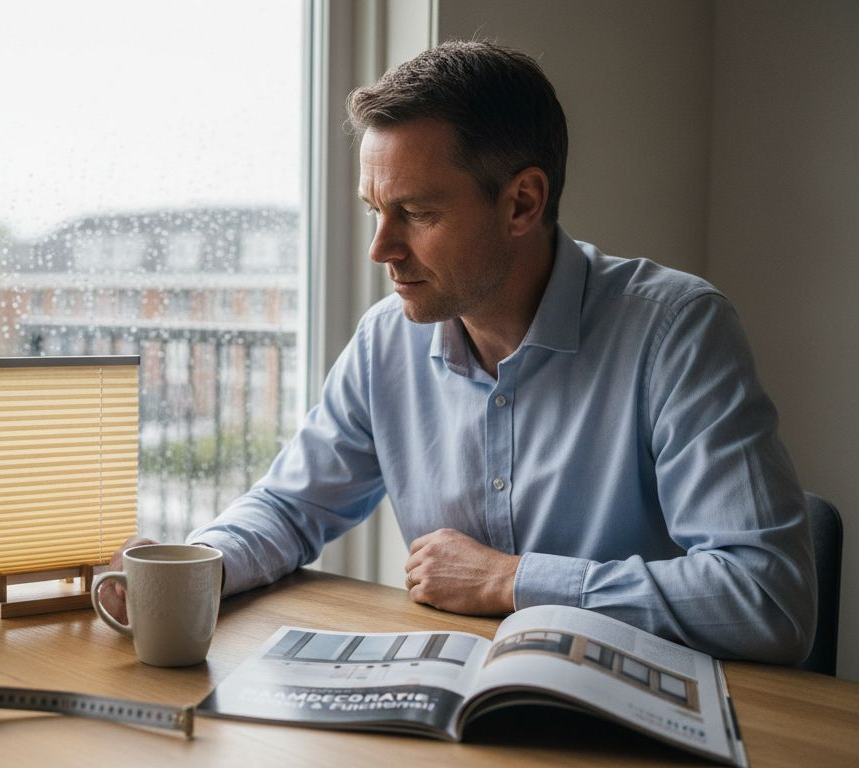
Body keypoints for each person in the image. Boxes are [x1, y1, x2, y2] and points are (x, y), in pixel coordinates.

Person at [99, 40, 816, 664]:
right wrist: (191, 569)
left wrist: (512, 580)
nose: (382, 249)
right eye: (376, 212)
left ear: (521, 205)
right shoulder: (387, 340)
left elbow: (768, 598)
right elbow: (288, 510)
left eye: (418, 213)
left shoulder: (676, 332)